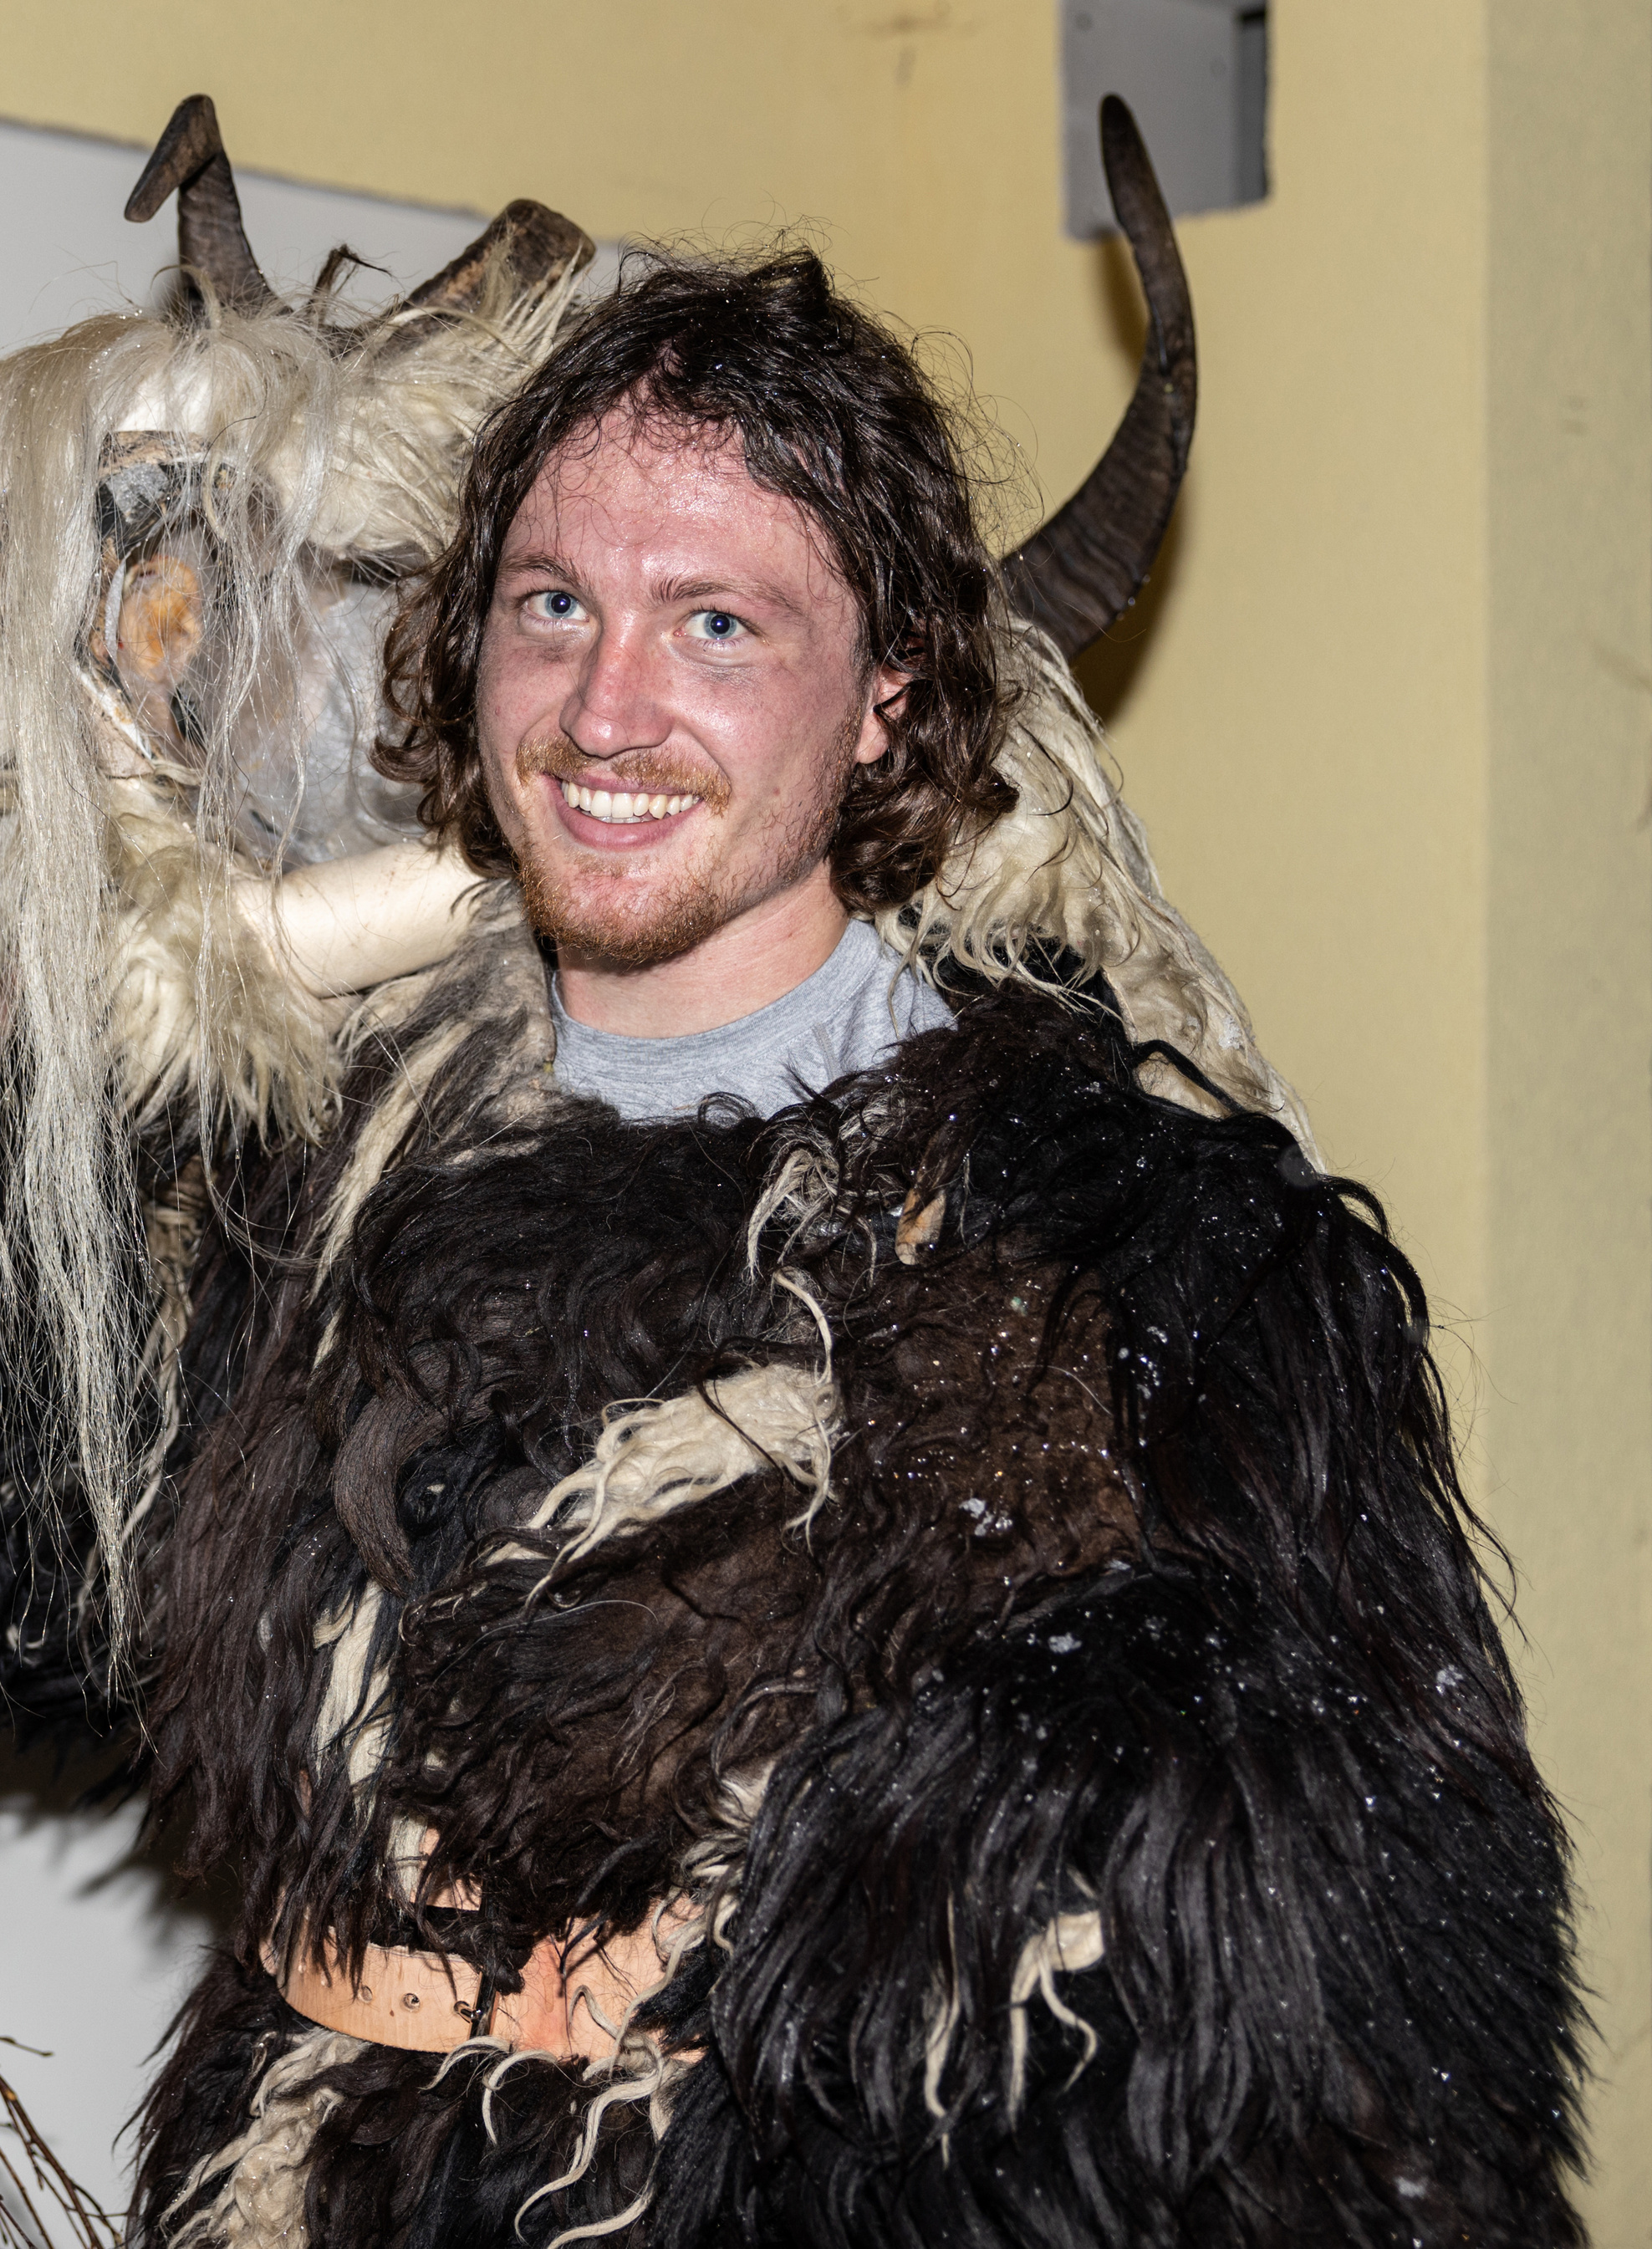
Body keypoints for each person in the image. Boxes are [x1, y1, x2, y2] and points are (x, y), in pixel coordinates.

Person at [129, 249, 1584, 2246]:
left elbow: (1376, 2006)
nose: (602, 705)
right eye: (552, 604)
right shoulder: (311, 1191)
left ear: (890, 699)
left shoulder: (1148, 1263)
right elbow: (54, 1634)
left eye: (715, 623)